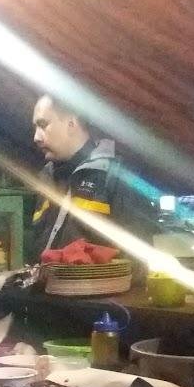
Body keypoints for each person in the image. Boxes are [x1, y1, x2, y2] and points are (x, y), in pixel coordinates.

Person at [28, 94, 153, 262]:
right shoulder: (47, 177)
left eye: (43, 125)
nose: (36, 137)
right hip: (47, 288)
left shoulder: (118, 176)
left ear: (71, 124)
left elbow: (139, 260)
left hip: (101, 288)